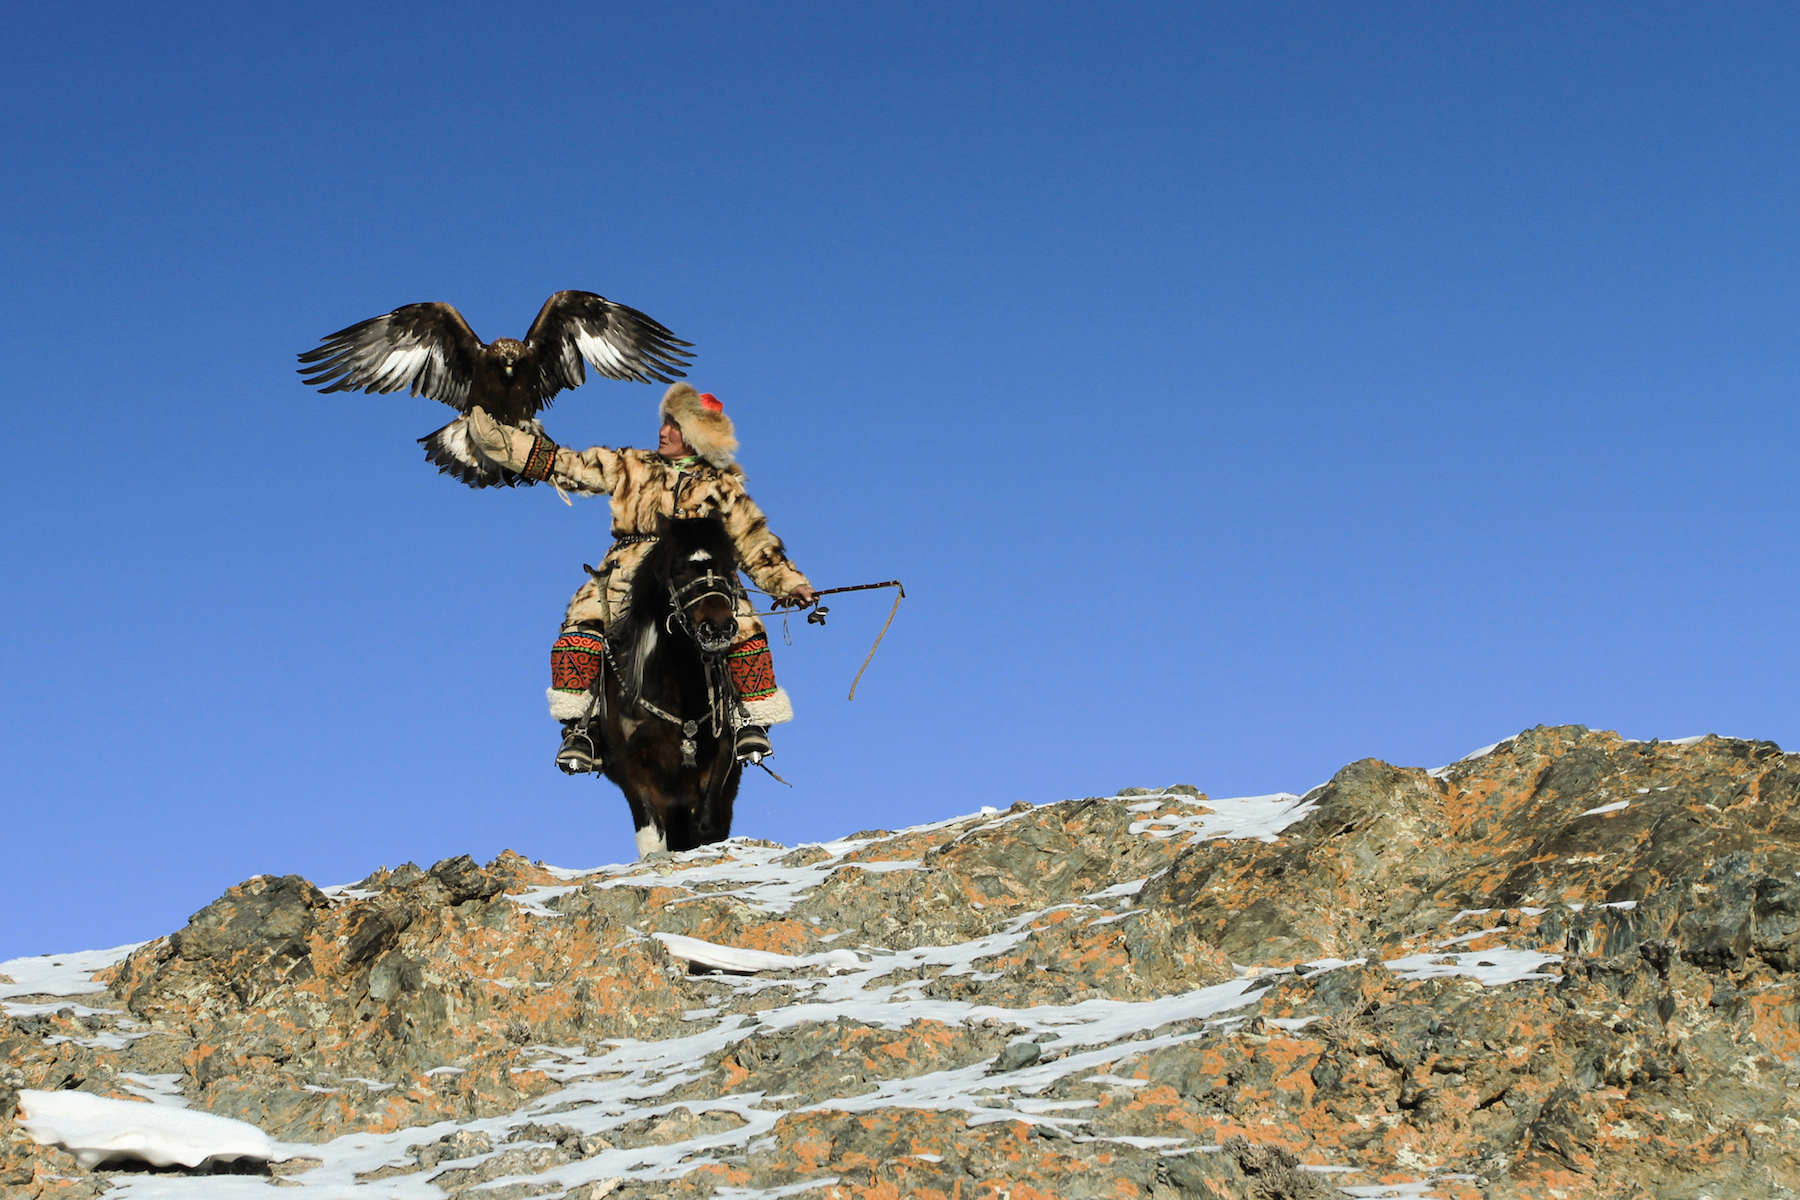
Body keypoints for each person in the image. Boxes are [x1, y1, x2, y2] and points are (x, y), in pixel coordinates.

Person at [466, 384, 816, 773]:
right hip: (628, 570)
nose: (663, 431)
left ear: (697, 435)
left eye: (674, 425)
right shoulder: (630, 464)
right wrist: (504, 442)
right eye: (665, 422)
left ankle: (749, 720)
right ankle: (581, 729)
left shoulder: (723, 486)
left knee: (743, 626)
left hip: (699, 574)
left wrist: (789, 583)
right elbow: (568, 465)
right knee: (581, 626)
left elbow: (754, 543)